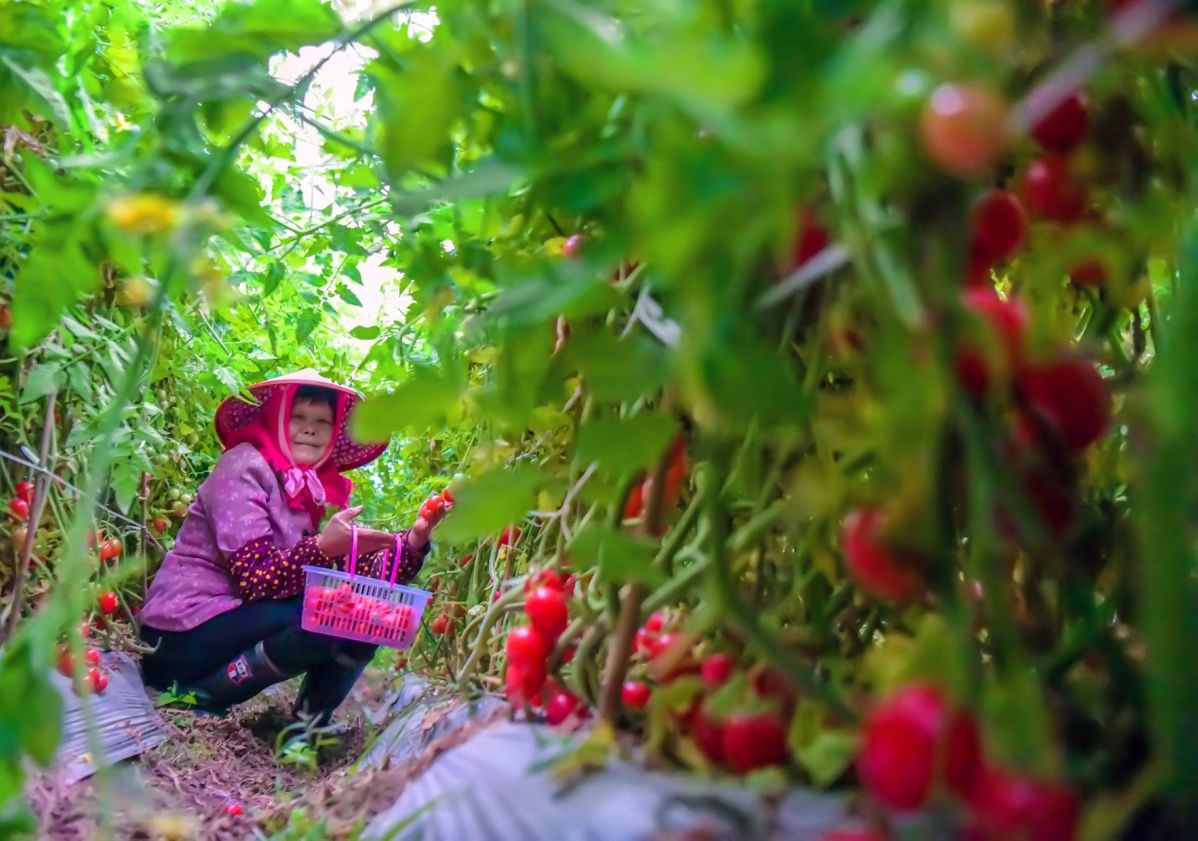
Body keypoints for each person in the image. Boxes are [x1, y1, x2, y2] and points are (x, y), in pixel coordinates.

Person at [138, 369, 446, 725]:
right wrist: (323, 548)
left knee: (367, 612)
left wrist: (414, 540)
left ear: (333, 433)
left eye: (321, 422)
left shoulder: (307, 489)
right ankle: (200, 698)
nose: (310, 429)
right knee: (325, 614)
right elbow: (258, 579)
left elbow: (355, 575)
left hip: (228, 626)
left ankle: (305, 730)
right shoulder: (242, 467)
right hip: (178, 636)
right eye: (297, 417)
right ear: (277, 420)